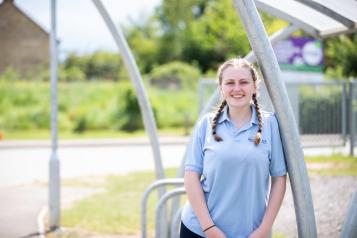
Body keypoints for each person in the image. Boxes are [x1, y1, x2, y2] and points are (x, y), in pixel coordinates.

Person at [180, 58, 287, 238]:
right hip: (200, 230)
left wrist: (263, 231)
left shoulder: (271, 124)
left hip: (251, 233)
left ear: (255, 87)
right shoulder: (206, 124)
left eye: (243, 82)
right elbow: (191, 177)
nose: (237, 88)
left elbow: (279, 180)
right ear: (221, 88)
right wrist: (209, 229)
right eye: (230, 83)